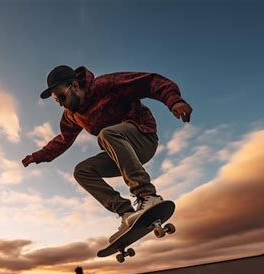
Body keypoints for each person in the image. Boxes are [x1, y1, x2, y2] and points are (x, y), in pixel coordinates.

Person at [22, 65, 192, 243]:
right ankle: (126, 212)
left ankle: (147, 196)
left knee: (107, 134)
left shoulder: (104, 85)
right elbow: (64, 139)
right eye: (58, 101)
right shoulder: (71, 115)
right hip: (121, 153)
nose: (62, 104)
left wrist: (174, 100)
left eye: (62, 97)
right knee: (82, 171)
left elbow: (149, 82)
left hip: (143, 139)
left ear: (74, 85)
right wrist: (39, 155)